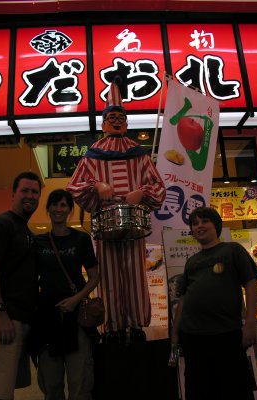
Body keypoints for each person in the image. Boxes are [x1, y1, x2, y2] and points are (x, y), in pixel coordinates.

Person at [67, 82, 166, 342]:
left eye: (121, 118)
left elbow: (158, 186)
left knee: (134, 273)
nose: (117, 121)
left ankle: (135, 324)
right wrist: (96, 185)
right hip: (105, 226)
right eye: (112, 118)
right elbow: (74, 185)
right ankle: (110, 326)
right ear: (103, 124)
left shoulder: (140, 155)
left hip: (134, 224)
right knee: (108, 276)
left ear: (127, 123)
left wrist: (142, 191)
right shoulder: (91, 156)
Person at [171, 206, 257, 400]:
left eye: (205, 221)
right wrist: (175, 334)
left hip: (227, 334)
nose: (199, 226)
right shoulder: (191, 261)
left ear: (216, 225)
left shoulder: (233, 250)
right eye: (195, 223)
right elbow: (184, 299)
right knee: (199, 390)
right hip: (193, 337)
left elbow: (251, 284)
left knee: (234, 388)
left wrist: (251, 323)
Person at [0, 171, 42, 400]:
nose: (30, 196)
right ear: (12, 194)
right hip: (1, 318)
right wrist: (0, 313)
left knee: (4, 387)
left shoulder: (24, 231)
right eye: (25, 190)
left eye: (35, 192)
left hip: (16, 319)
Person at [30, 189, 99, 400]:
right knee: (51, 382)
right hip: (47, 316)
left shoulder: (81, 239)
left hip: (77, 315)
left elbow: (95, 277)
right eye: (54, 204)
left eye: (63, 205)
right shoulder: (37, 242)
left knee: (79, 381)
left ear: (70, 210)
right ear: (48, 209)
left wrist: (76, 299)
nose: (58, 209)